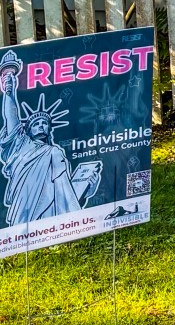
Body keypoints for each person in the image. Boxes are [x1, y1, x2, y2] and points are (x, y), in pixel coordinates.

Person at [0, 49, 100, 227]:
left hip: (54, 212)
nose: (41, 125)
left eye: (45, 123)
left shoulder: (54, 152)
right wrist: (9, 90)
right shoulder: (21, 144)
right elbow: (11, 116)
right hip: (26, 202)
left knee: (54, 152)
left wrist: (86, 189)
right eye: (36, 123)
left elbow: (64, 193)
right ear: (27, 130)